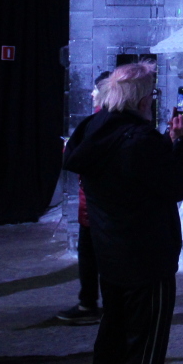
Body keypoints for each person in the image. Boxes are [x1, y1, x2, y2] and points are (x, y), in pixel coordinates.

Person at [62, 62, 183, 364]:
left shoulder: (93, 129)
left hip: (111, 255)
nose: (152, 99)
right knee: (144, 345)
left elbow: (133, 171)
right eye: (151, 93)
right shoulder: (139, 140)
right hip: (146, 260)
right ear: (141, 100)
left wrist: (167, 141)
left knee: (113, 334)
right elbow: (179, 184)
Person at [56, 72, 110, 326]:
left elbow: (76, 160)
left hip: (98, 206)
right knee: (91, 255)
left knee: (96, 257)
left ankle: (93, 305)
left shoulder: (98, 123)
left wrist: (71, 149)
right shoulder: (102, 122)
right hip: (92, 204)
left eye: (97, 89)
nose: (91, 94)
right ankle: (91, 303)